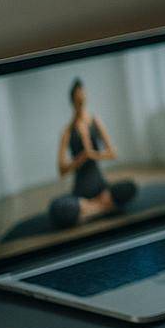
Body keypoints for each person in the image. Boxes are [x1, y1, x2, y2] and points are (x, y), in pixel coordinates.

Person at [48, 78, 138, 229]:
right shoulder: (67, 131)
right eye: (78, 99)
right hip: (80, 195)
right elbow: (61, 170)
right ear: (73, 101)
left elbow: (113, 153)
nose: (82, 101)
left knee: (130, 187)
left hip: (102, 189)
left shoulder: (95, 121)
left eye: (83, 97)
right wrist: (81, 158)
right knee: (56, 208)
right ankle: (103, 208)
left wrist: (93, 155)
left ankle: (90, 211)